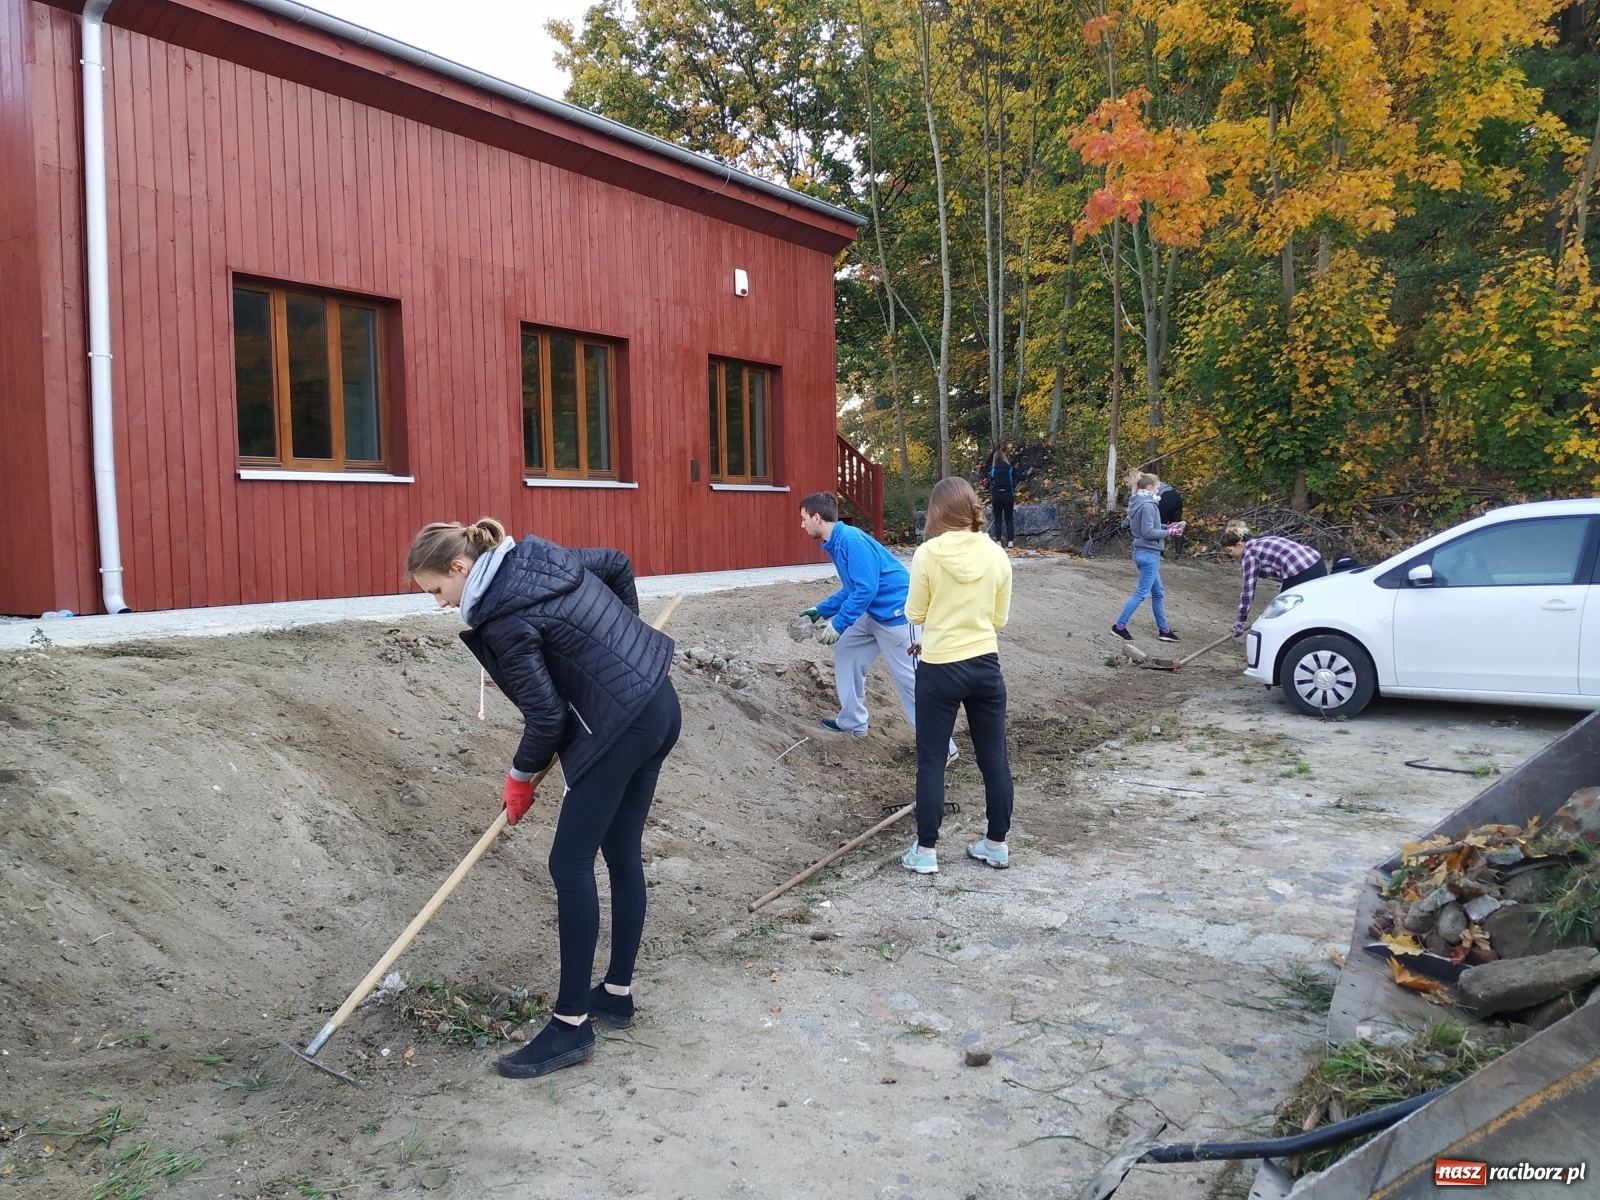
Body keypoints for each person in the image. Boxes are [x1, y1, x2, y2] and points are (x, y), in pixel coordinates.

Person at [407, 518, 680, 1080]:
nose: (438, 604)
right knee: (619, 851)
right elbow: (616, 562)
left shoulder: (502, 621)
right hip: (656, 702)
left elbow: (548, 716)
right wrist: (622, 643)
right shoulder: (538, 558)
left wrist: (520, 775)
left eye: (436, 590)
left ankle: (571, 1024)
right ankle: (616, 995)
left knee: (569, 862)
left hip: (620, 726)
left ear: (460, 568)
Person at [902, 478, 1015, 874]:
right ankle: (997, 844)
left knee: (931, 760)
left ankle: (926, 851)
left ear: (936, 512)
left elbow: (914, 614)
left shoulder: (927, 554)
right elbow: (999, 619)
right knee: (994, 758)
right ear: (973, 508)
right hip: (985, 664)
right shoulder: (998, 555)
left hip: (940, 668)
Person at [799, 493, 957, 762]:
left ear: (817, 517)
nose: (801, 525)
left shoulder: (850, 540)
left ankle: (944, 748)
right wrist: (821, 610)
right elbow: (853, 589)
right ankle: (852, 720)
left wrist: (838, 623)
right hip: (873, 610)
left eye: (803, 519)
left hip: (897, 616)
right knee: (847, 650)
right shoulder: (836, 543)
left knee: (910, 682)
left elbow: (866, 588)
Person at [1111, 473, 1184, 643]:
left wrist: (1168, 526)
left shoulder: (1138, 502)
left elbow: (1150, 526)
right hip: (1149, 554)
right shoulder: (1150, 505)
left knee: (1158, 593)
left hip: (1142, 552)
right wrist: (1169, 532)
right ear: (1150, 488)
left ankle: (1164, 630)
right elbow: (1148, 532)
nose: (1159, 489)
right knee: (1141, 593)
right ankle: (1119, 626)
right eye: (1158, 487)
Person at [1224, 522, 1328, 637]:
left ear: (1239, 545)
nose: (1231, 554)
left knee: (1287, 610)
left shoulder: (1250, 555)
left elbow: (1248, 590)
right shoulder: (1260, 542)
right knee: (1312, 606)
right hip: (1316, 561)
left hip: (1299, 569)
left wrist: (1240, 621)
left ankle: (1293, 641)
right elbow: (1276, 570)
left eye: (1230, 550)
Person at [988, 449, 1018, 548]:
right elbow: (1021, 476)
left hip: (996, 496)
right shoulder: (1010, 469)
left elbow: (992, 483)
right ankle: (1010, 542)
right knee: (1009, 519)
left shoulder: (993, 470)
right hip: (1008, 495)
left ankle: (998, 542)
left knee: (998, 519)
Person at [1156, 479, 1184, 559]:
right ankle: (1178, 555)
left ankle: (1160, 553)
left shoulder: (1140, 484)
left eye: (1126, 482)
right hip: (1175, 496)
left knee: (1160, 525)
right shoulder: (1151, 479)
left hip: (1165, 498)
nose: (1126, 484)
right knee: (1177, 525)